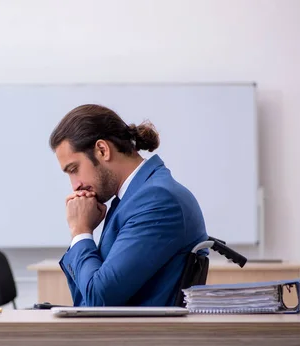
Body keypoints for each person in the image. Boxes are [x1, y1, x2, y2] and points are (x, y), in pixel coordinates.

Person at [49, 104, 208, 307]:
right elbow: (87, 301)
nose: (75, 185)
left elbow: (99, 299)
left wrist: (80, 232)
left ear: (102, 150)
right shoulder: (129, 200)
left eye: (74, 169)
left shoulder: (157, 199)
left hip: (143, 338)